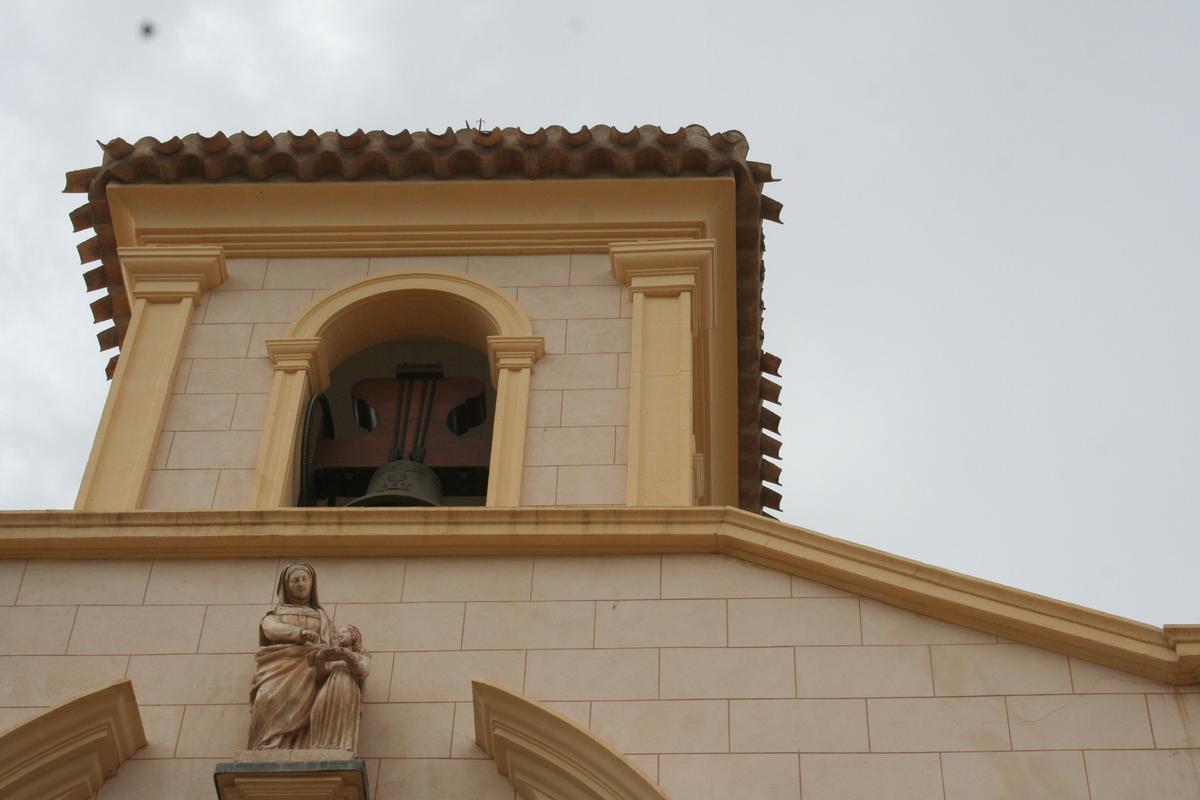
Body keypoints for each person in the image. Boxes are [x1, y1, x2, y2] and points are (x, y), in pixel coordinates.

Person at [247, 561, 334, 749]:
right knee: (266, 699)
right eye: (295, 580)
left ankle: (299, 747)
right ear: (287, 586)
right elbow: (270, 628)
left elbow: (332, 641)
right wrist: (299, 633)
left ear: (311, 584)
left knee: (308, 706)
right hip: (279, 666)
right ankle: (266, 745)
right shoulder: (276, 613)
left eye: (304, 579)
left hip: (310, 668)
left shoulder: (322, 617)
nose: (301, 584)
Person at [308, 624, 370, 751]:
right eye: (339, 633)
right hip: (330, 686)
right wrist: (320, 659)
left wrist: (349, 657)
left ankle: (341, 745)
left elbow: (362, 671)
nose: (339, 635)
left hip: (346, 685)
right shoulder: (333, 655)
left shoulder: (361, 656)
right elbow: (322, 674)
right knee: (320, 711)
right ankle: (322, 743)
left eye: (344, 632)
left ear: (353, 636)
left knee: (342, 712)